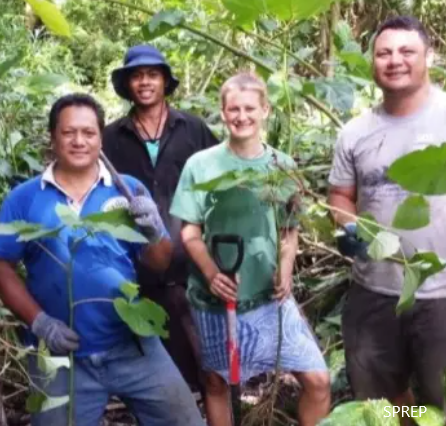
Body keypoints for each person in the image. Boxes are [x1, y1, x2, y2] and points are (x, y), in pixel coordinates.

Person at [0, 93, 205, 426]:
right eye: (68, 132)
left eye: (88, 133)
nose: (79, 141)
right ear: (53, 137)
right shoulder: (25, 197)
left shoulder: (127, 189)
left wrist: (155, 230)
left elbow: (158, 264)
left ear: (100, 138)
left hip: (132, 344)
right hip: (59, 356)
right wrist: (40, 323)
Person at [171, 72, 330, 426]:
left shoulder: (281, 166)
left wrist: (286, 269)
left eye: (249, 108)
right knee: (216, 382)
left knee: (318, 380)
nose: (241, 116)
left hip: (268, 298)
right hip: (215, 298)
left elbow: (290, 229)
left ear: (265, 110)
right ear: (223, 112)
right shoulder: (202, 165)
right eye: (233, 109)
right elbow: (190, 231)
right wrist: (211, 274)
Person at [329, 16, 446, 413]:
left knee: (441, 398)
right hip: (374, 292)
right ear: (372, 62)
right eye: (384, 52)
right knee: (385, 404)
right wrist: (349, 227)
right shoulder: (355, 132)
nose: (395, 60)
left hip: (441, 293)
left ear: (428, 56)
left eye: (406, 51)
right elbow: (340, 196)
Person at [103, 44, 219, 391]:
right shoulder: (110, 137)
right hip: (140, 266)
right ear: (127, 85)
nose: (145, 82)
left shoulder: (193, 129)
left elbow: (218, 182)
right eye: (136, 76)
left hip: (193, 264)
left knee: (209, 363)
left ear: (165, 82)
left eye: (152, 75)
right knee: (158, 368)